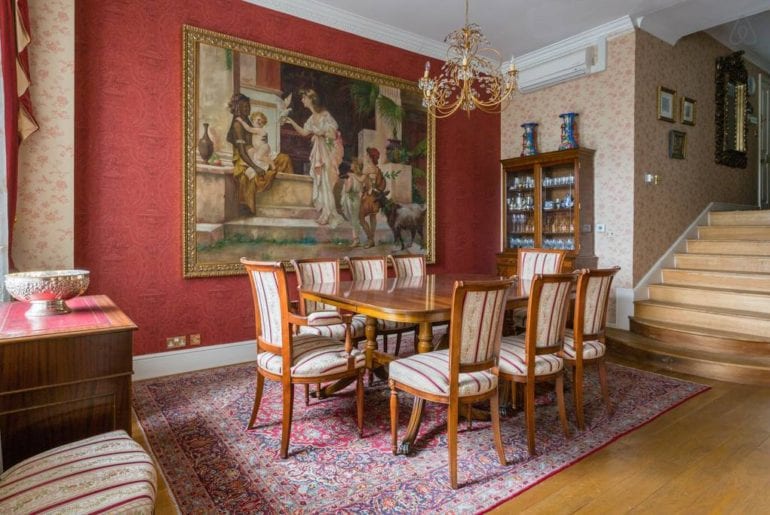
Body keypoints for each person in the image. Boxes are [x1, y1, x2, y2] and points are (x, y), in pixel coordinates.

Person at [283, 89, 345, 227]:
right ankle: (325, 212)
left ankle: (329, 213)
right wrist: (291, 121)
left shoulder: (325, 115)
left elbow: (333, 133)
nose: (302, 100)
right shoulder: (311, 119)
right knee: (321, 181)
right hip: (319, 151)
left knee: (327, 183)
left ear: (311, 99)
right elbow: (305, 132)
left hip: (328, 151)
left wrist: (320, 132)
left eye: (304, 98)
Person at [227, 94, 276, 215]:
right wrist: (255, 167)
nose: (247, 109)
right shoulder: (238, 125)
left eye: (248, 106)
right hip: (244, 159)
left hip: (255, 154)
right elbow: (242, 152)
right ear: (238, 108)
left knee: (284, 159)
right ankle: (248, 208)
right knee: (248, 177)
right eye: (244, 106)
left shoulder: (247, 120)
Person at [359, 147, 387, 248]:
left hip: (368, 197)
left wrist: (353, 175)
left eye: (367, 155)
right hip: (375, 197)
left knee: (361, 218)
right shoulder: (377, 169)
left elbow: (361, 180)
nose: (365, 156)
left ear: (370, 157)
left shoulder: (367, 168)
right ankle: (372, 239)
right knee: (372, 217)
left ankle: (370, 239)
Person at [340, 159, 365, 247]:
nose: (351, 165)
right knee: (355, 219)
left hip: (351, 199)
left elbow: (348, 189)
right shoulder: (360, 177)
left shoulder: (351, 176)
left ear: (355, 166)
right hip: (356, 198)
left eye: (353, 164)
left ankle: (356, 240)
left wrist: (345, 182)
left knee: (353, 220)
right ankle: (357, 239)